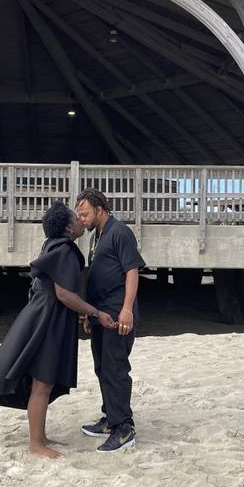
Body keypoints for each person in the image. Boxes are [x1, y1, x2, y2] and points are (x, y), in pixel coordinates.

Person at [0, 201, 117, 458]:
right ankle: (36, 444)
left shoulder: (54, 246)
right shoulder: (64, 250)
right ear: (67, 227)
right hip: (48, 319)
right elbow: (64, 295)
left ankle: (40, 437)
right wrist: (95, 312)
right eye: (76, 217)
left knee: (43, 380)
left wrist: (84, 312)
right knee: (42, 382)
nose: (80, 220)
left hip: (44, 315)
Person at [75, 188, 146, 453]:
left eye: (85, 214)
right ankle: (110, 418)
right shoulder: (97, 236)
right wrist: (89, 313)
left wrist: (127, 309)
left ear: (100, 209)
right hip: (100, 315)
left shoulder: (120, 232)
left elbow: (131, 271)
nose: (81, 219)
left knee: (115, 369)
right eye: (79, 215)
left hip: (118, 314)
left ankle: (124, 428)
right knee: (102, 367)